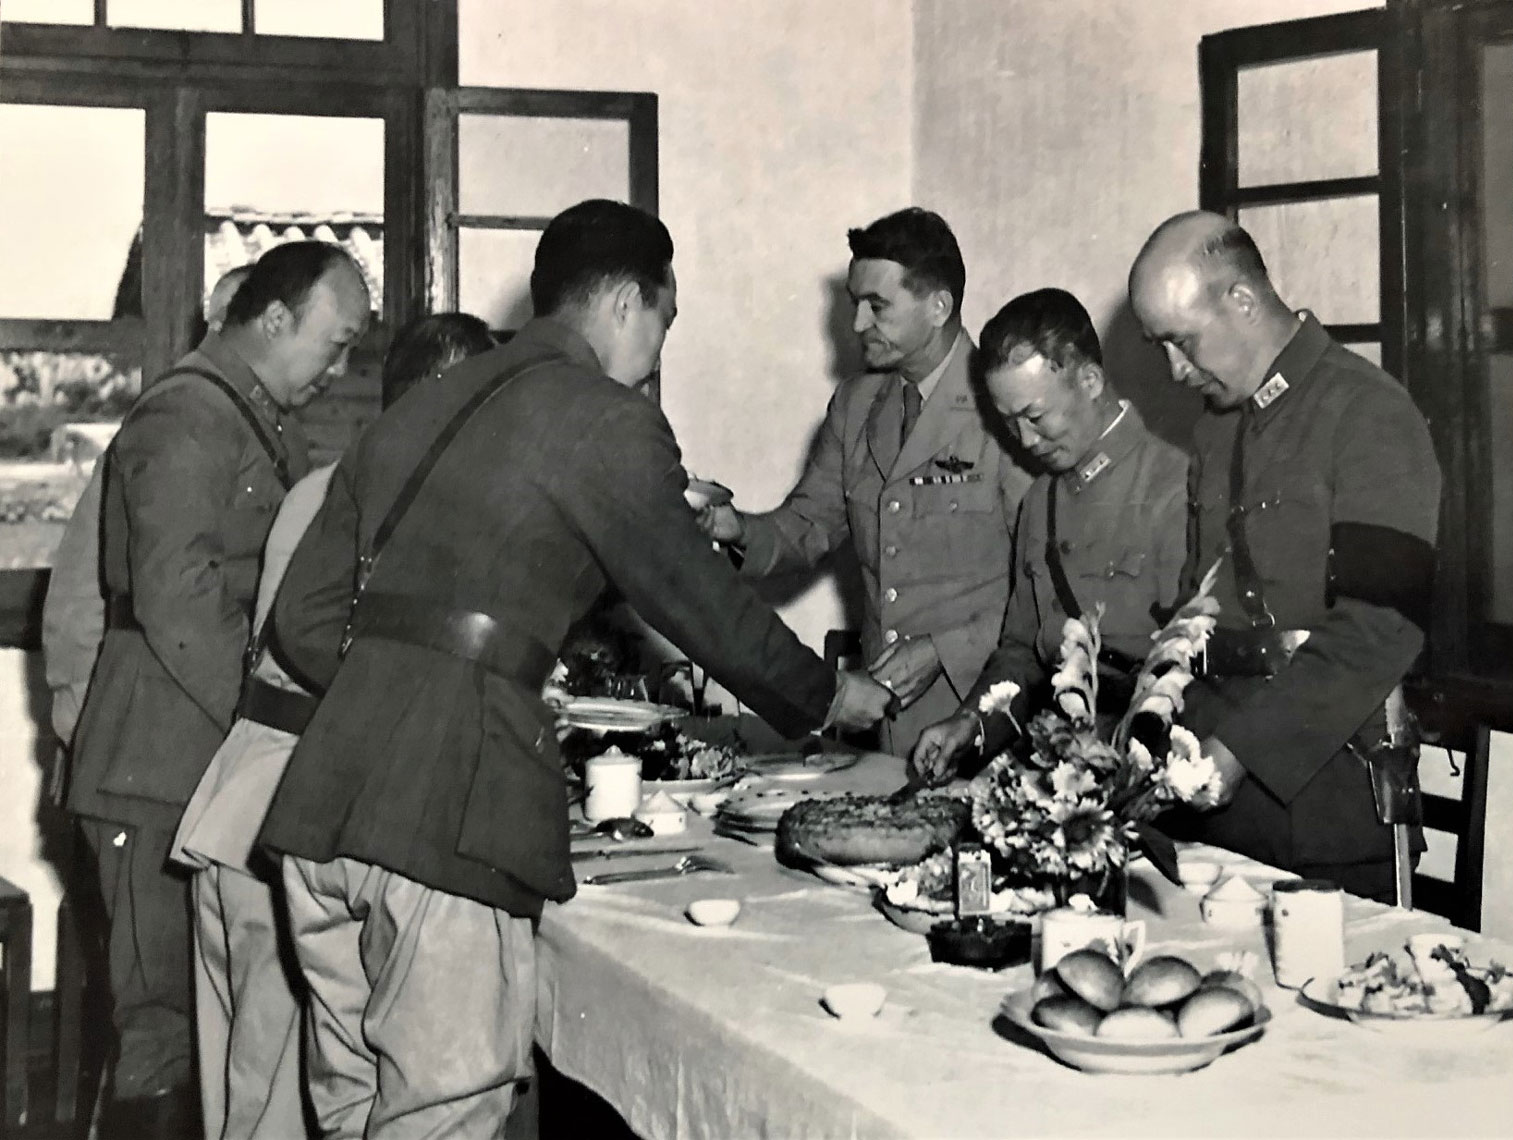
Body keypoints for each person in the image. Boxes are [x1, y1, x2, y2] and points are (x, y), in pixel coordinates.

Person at [257, 199, 890, 1139]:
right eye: (665, 323)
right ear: (631, 305)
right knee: (444, 1110)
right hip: (441, 821)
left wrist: (407, 679)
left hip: (322, 813)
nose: (657, 352)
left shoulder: (419, 407)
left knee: (353, 1115)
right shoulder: (605, 419)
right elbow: (702, 606)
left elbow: (303, 623)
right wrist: (833, 692)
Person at [66, 242, 369, 1138]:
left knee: (218, 1021)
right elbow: (178, 598)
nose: (342, 368)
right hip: (156, 762)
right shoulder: (186, 417)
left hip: (200, 756)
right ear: (274, 320)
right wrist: (268, 712)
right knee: (158, 1024)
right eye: (337, 343)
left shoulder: (260, 418)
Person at [167, 313, 495, 1140]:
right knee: (274, 1106)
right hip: (289, 808)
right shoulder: (388, 498)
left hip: (249, 800)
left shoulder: (333, 483)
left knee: (251, 1096)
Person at [1126, 211, 1441, 902]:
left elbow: (1380, 629)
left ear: (1241, 299)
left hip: (1325, 796)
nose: (1176, 372)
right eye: (1160, 349)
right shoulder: (1217, 428)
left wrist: (1238, 753)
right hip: (1208, 786)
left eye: (1182, 342)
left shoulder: (1368, 413)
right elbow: (1198, 608)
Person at [696, 207, 1031, 756]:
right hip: (888, 718)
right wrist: (736, 530)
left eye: (878, 306)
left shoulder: (1005, 406)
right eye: (855, 304)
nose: (856, 325)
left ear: (939, 305)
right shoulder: (857, 405)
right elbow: (807, 525)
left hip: (987, 716)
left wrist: (944, 650)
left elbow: (1044, 589)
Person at [908, 288, 1189, 784]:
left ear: (1090, 380)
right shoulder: (1042, 501)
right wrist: (973, 722)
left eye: (1036, 416)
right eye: (1009, 422)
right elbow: (1022, 650)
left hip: (1152, 770)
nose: (1026, 441)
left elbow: (1193, 667)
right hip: (1059, 766)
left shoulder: (1174, 486)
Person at [42, 264, 255, 753]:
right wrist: (86, 720)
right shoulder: (169, 432)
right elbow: (77, 598)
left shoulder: (256, 442)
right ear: (217, 329)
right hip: (119, 715)